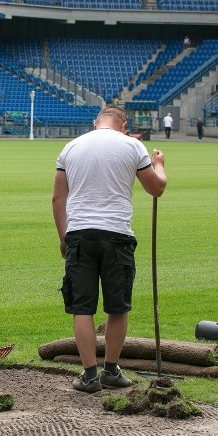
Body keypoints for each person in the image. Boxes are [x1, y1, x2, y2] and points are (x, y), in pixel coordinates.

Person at [52, 106, 167, 393]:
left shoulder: (71, 147)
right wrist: (159, 165)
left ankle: (89, 375)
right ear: (124, 126)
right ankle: (111, 370)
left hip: (80, 233)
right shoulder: (132, 145)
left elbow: (57, 198)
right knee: (117, 307)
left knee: (82, 307)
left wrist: (64, 237)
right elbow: (156, 188)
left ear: (95, 124)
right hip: (117, 234)